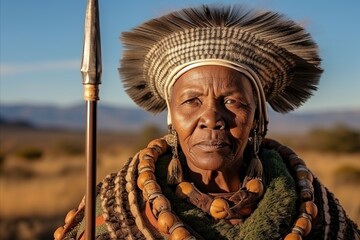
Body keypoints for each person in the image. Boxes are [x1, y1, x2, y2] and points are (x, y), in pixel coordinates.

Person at [54, 4, 359, 240]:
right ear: (171, 115)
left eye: (233, 101)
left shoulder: (316, 211)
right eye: (191, 101)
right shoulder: (113, 211)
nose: (212, 119)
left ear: (257, 118)